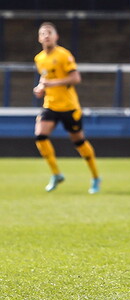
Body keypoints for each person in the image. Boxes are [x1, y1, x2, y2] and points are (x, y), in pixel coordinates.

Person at [33, 22, 101, 194]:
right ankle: (56, 174)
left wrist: (51, 83)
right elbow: (45, 79)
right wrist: (41, 89)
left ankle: (95, 177)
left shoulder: (64, 55)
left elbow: (76, 78)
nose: (46, 36)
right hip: (50, 105)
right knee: (40, 136)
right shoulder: (39, 59)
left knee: (79, 142)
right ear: (39, 38)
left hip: (69, 107)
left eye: (49, 33)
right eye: (43, 33)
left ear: (56, 36)